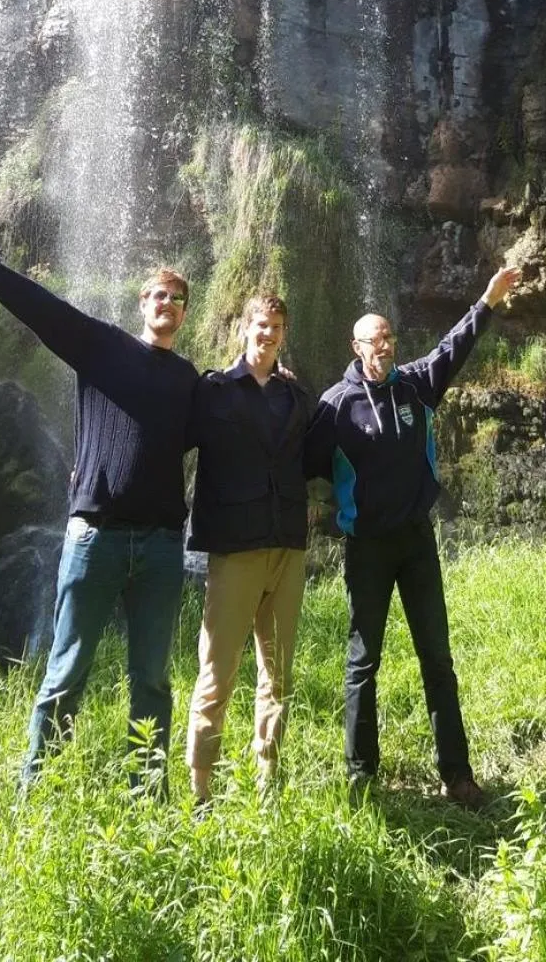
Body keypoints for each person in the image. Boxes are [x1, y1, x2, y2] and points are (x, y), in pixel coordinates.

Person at [0, 209, 198, 788]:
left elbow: (227, 428)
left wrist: (270, 382)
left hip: (160, 546)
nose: (168, 304)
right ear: (143, 303)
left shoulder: (189, 380)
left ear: (184, 313)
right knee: (67, 670)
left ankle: (147, 791)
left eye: (178, 299)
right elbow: (42, 310)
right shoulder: (103, 347)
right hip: (96, 537)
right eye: (159, 294)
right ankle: (36, 787)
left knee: (152, 679)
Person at [304, 263, 523, 807]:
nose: (383, 346)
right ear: (356, 347)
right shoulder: (335, 406)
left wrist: (488, 300)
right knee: (363, 663)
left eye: (388, 337)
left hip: (417, 542)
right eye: (374, 339)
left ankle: (458, 775)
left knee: (437, 659)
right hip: (367, 548)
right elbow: (302, 462)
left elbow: (455, 346)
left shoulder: (416, 385)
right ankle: (361, 778)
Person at [184, 292, 312, 803]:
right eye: (261, 324)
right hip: (235, 549)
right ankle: (200, 788)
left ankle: (267, 781)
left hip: (287, 547)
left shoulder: (295, 395)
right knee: (217, 674)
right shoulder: (214, 390)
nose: (269, 334)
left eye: (277, 327)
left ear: (284, 334)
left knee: (278, 676)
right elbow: (169, 438)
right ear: (243, 328)